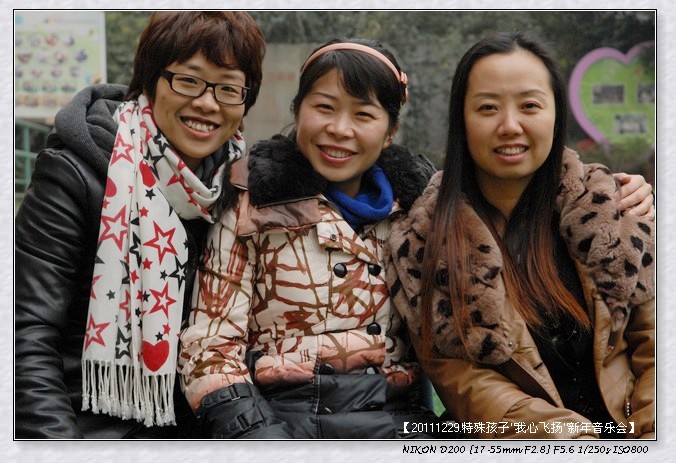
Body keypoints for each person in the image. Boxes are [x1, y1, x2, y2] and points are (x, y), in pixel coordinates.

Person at [386, 31, 655, 439]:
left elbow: (656, 343)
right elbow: (470, 387)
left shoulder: (611, 209)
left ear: (556, 116)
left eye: (529, 105)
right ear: (461, 121)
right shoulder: (426, 241)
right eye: (488, 108)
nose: (510, 126)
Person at [15, 11, 266, 439]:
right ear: (149, 80)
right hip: (87, 424)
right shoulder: (75, 174)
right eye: (188, 80)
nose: (207, 103)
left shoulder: (244, 191)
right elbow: (25, 333)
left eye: (228, 88)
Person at [178, 38, 444, 439]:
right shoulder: (252, 203)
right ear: (298, 110)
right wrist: (263, 441)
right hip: (280, 424)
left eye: (363, 114)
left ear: (391, 130)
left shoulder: (419, 212)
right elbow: (209, 350)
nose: (339, 129)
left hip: (400, 424)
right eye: (324, 107)